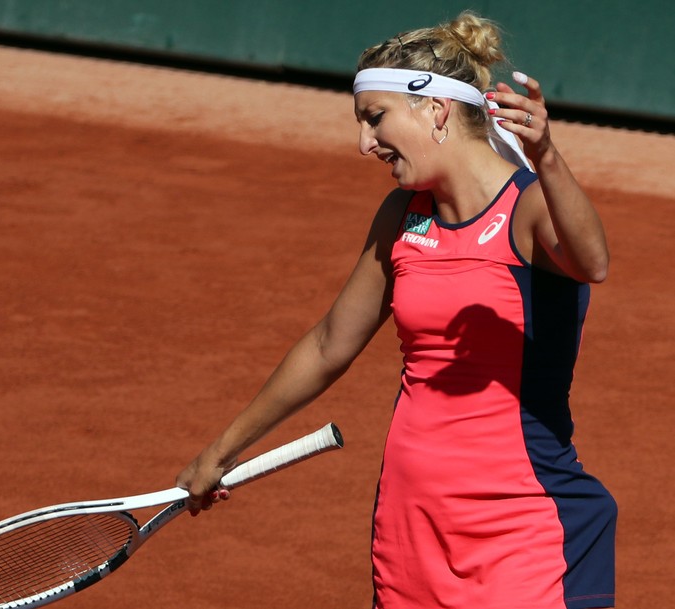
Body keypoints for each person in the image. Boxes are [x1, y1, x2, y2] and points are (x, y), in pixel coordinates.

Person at [176, 10, 616, 609]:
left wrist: (549, 157)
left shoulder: (529, 210)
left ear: (435, 110)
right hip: (411, 531)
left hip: (521, 533)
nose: (364, 143)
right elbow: (331, 342)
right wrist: (223, 449)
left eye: (375, 119)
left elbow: (592, 262)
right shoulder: (402, 217)